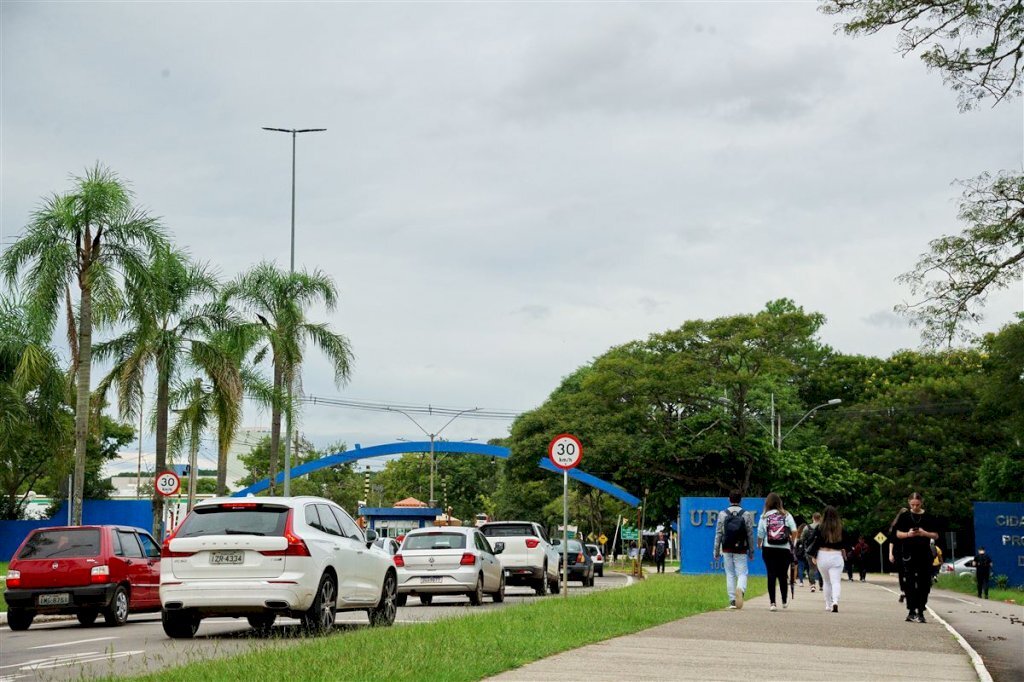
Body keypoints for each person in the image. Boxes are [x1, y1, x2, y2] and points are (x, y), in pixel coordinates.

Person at [894, 492, 940, 623]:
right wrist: (908, 534)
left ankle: (921, 610)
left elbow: (936, 535)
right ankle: (911, 610)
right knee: (909, 582)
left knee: (923, 583)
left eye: (917, 505)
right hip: (909, 553)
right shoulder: (904, 516)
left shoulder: (929, 517)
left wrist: (924, 533)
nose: (914, 507)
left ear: (921, 503)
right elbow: (897, 534)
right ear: (909, 503)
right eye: (912, 505)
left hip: (924, 553)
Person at [713, 490, 755, 609]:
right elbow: (750, 534)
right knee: (742, 573)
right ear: (741, 500)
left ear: (729, 499)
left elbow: (718, 534)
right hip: (741, 548)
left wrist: (716, 551)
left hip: (726, 548)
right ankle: (740, 589)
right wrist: (751, 551)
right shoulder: (746, 514)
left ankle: (732, 601)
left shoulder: (722, 514)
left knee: (730, 574)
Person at [756, 492, 797, 611]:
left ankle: (772, 603)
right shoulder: (786, 515)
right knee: (783, 574)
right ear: (779, 502)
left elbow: (760, 533)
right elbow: (794, 530)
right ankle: (784, 600)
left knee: (771, 574)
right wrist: (792, 543)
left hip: (768, 548)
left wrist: (759, 544)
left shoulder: (764, 516)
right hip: (784, 549)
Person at [813, 505, 846, 613]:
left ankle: (828, 604)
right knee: (835, 582)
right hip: (836, 555)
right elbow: (847, 543)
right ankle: (835, 601)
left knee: (826, 582)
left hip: (822, 555)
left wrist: (814, 555)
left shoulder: (820, 528)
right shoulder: (840, 528)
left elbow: (814, 542)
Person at [887, 507, 908, 602]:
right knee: (901, 572)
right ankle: (903, 590)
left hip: (909, 551)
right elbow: (892, 541)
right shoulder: (896, 526)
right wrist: (890, 554)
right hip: (898, 551)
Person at [801, 512, 823, 592]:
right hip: (821, 550)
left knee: (811, 568)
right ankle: (821, 585)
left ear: (813, 518)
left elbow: (802, 538)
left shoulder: (807, 527)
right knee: (821, 568)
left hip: (810, 550)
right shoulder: (823, 527)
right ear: (820, 518)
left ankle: (812, 585)